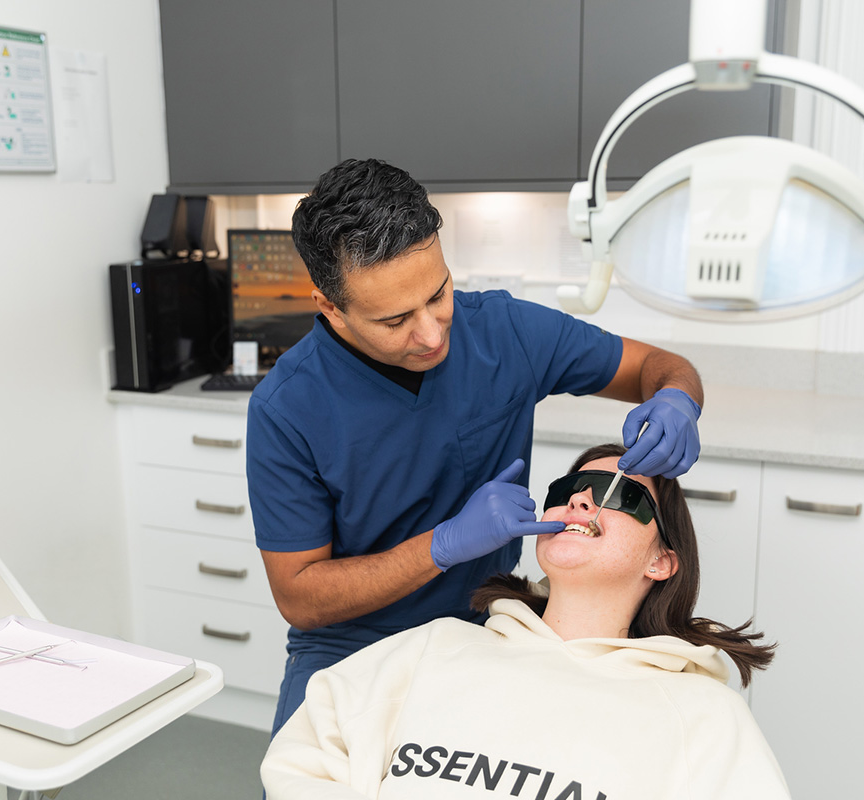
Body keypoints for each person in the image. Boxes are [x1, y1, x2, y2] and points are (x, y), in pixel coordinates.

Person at [247, 158, 706, 736]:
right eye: (395, 321)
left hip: (490, 628)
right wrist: (442, 545)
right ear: (330, 307)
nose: (433, 333)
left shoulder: (505, 333)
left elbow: (660, 368)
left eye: (439, 294)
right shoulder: (287, 408)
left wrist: (677, 399)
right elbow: (301, 598)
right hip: (352, 647)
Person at [261, 443, 787, 799]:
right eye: (569, 490)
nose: (580, 499)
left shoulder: (702, 715)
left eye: (619, 495)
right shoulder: (434, 649)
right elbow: (305, 757)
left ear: (661, 561)